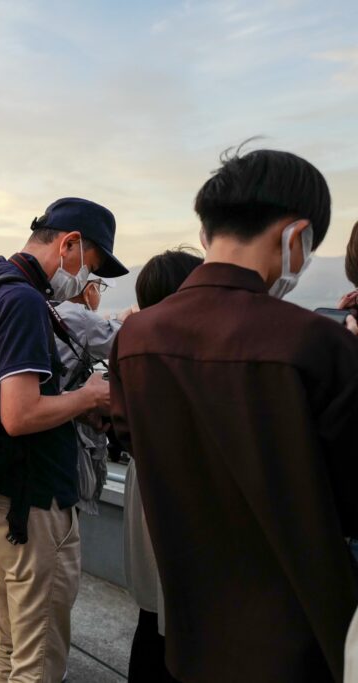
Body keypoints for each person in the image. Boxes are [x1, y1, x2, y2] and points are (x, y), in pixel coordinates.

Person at [109, 148, 358, 683]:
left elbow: (132, 438)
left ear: (206, 235)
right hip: (298, 636)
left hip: (188, 629)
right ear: (296, 237)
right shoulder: (316, 343)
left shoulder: (135, 338)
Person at [0, 197, 126, 683]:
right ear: (70, 244)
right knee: (38, 659)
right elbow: (20, 413)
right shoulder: (23, 300)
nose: (86, 282)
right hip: (32, 505)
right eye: (92, 268)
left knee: (13, 639)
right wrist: (89, 397)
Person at [118, 248, 203, 683]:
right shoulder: (191, 355)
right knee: (179, 630)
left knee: (150, 620)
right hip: (180, 503)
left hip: (142, 489)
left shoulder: (132, 346)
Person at [54, 277, 134, 515]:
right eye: (99, 288)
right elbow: (118, 341)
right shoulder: (78, 316)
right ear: (89, 290)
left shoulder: (50, 310)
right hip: (65, 459)